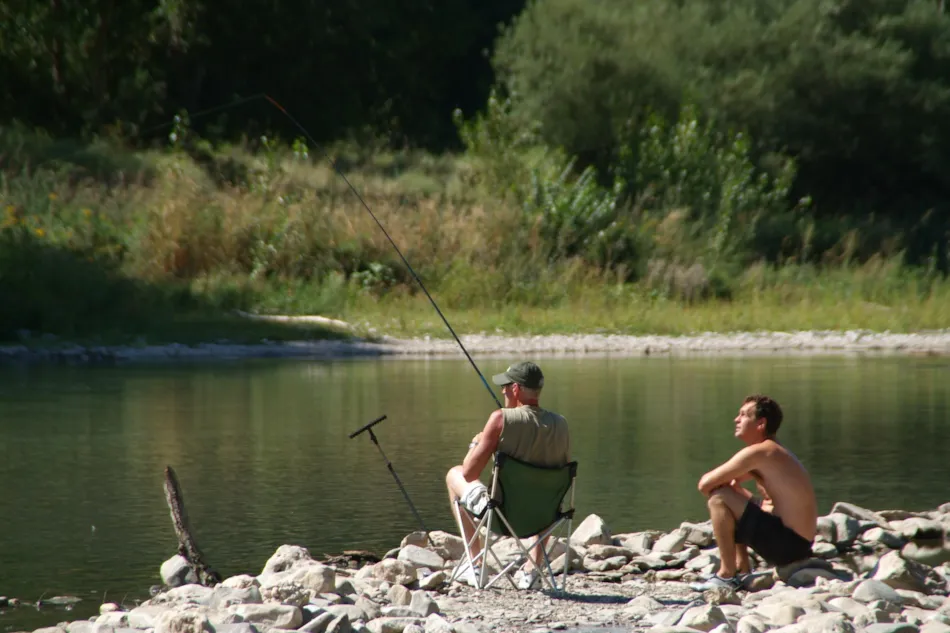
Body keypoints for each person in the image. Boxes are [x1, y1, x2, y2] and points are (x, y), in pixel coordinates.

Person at [445, 361, 570, 588]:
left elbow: (469, 473)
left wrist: (477, 443)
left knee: (454, 474)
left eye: (505, 386)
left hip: (502, 517)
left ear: (515, 389)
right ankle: (532, 571)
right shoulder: (560, 424)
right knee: (544, 492)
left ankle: (475, 563)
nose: (502, 390)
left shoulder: (501, 419)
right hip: (544, 516)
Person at [693, 395, 817, 591]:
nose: (736, 419)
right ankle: (742, 568)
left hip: (788, 545)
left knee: (719, 498)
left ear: (761, 423)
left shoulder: (761, 452)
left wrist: (725, 490)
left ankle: (726, 575)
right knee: (729, 493)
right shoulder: (772, 451)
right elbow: (731, 483)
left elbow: (705, 484)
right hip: (798, 544)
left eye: (743, 415)